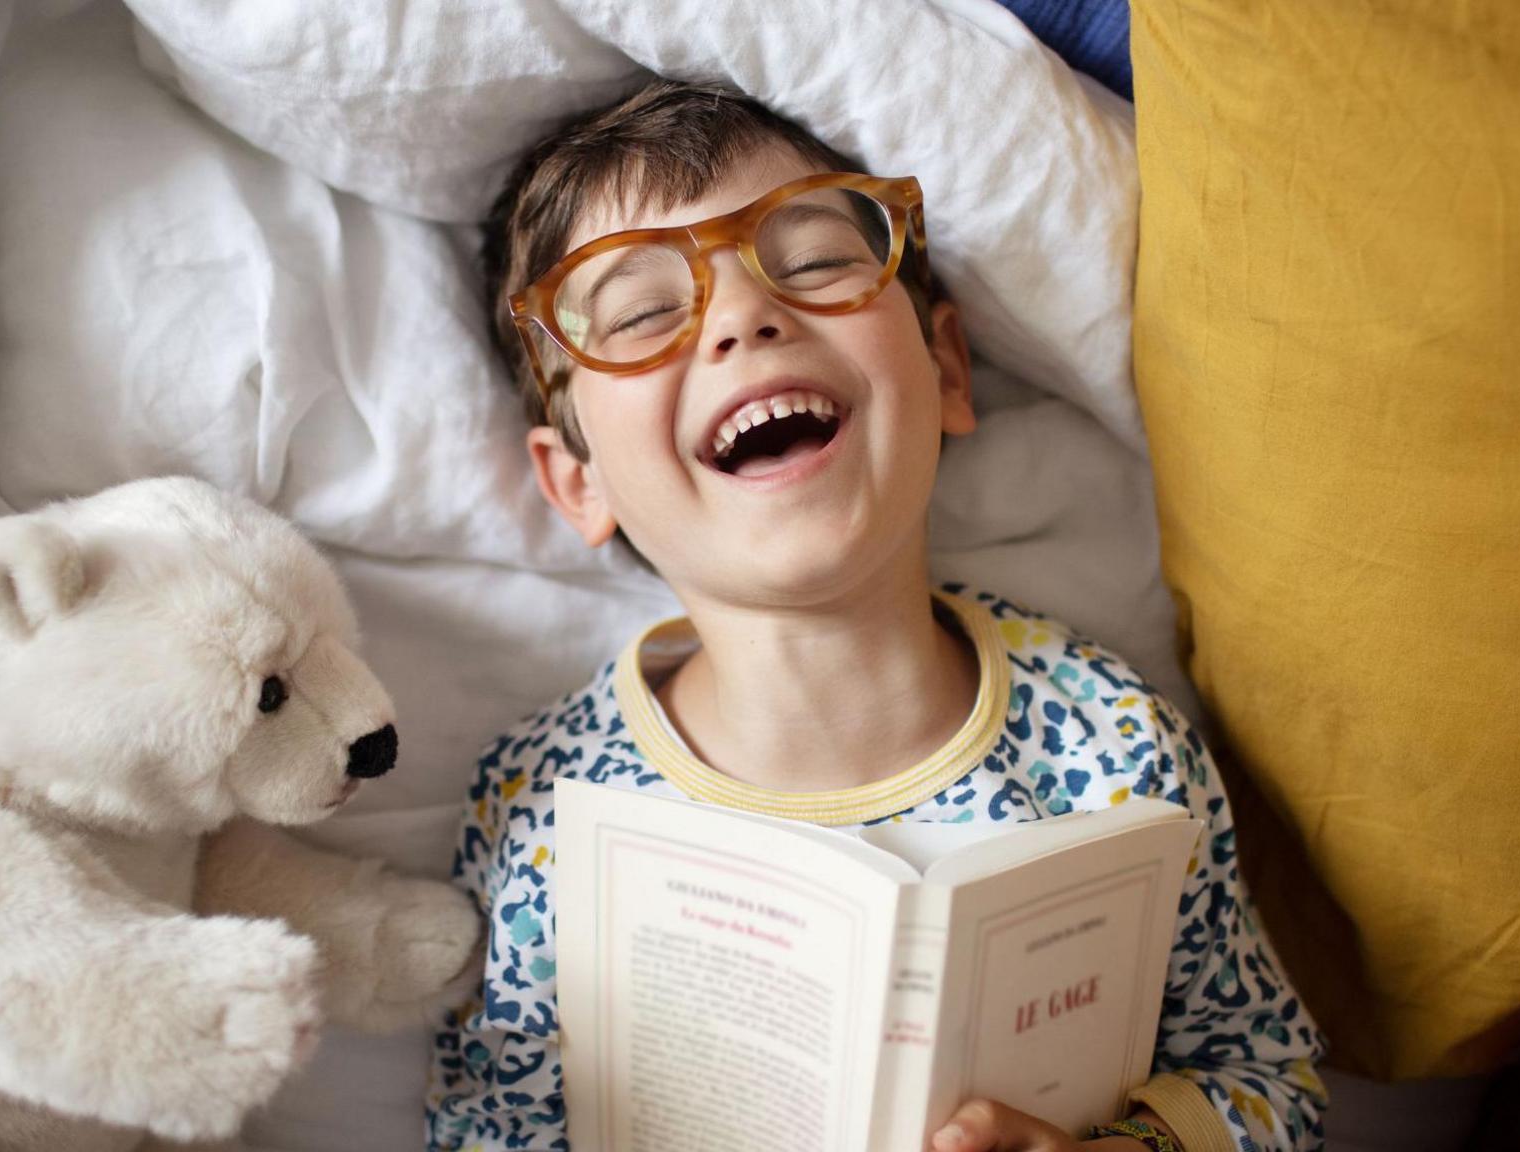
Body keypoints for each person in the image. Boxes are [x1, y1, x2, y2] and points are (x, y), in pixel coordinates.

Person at [426, 80, 1326, 1152]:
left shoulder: (1115, 749)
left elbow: (1266, 1083)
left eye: (812, 261)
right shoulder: (546, 809)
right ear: (579, 483)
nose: (742, 316)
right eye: (640, 314)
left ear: (944, 368)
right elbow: (487, 1128)